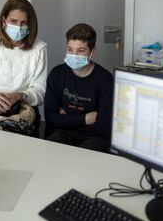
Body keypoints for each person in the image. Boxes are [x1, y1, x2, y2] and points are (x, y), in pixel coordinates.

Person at [0, 0, 47, 135]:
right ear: (4, 21)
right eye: (13, 21)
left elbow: (40, 93)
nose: (19, 27)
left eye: (24, 23)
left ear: (30, 25)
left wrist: (20, 96)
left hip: (25, 112)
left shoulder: (39, 49)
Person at [44, 23, 113, 152]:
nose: (73, 55)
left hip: (94, 138)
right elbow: (50, 118)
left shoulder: (105, 80)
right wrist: (85, 119)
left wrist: (66, 118)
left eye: (80, 50)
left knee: (83, 163)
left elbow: (104, 127)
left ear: (92, 52)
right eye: (70, 49)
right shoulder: (57, 74)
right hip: (62, 133)